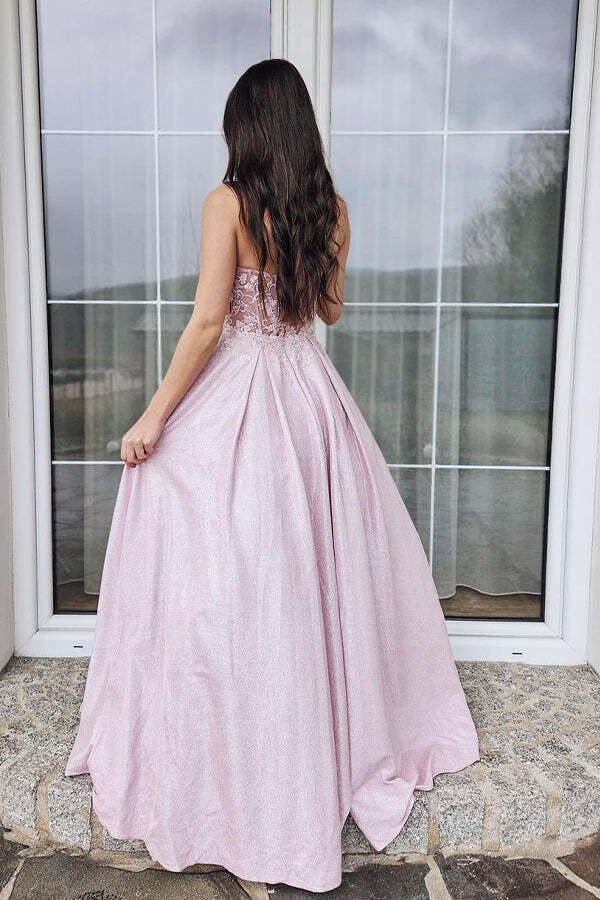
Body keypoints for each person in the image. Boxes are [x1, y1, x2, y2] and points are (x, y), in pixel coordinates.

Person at [64, 58, 480, 894]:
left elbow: (208, 323)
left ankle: (223, 730)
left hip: (243, 388)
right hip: (308, 395)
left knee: (220, 550)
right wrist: (317, 256)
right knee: (308, 560)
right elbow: (328, 311)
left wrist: (152, 417)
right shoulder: (334, 210)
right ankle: (300, 725)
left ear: (247, 130)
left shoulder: (226, 203)